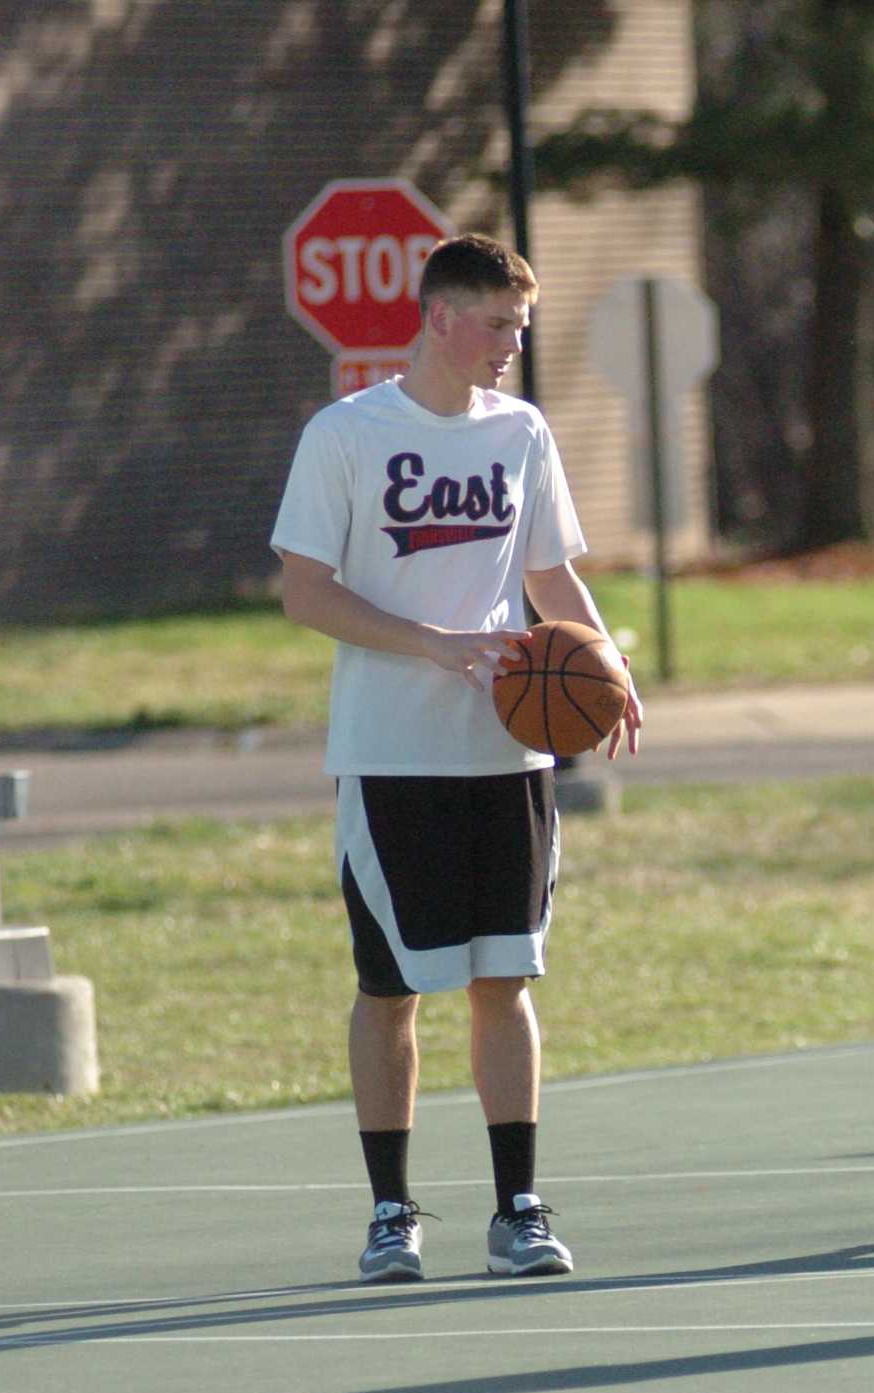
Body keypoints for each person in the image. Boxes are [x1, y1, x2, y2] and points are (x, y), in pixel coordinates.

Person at [270, 233, 643, 1282]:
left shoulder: (520, 433)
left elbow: (551, 576)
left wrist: (607, 665)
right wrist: (434, 647)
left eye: (520, 330)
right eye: (497, 327)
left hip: (507, 754)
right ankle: (391, 1213)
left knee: (504, 978)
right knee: (391, 988)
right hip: (391, 753)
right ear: (440, 317)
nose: (510, 348)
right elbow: (304, 591)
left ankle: (518, 1206)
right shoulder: (346, 435)